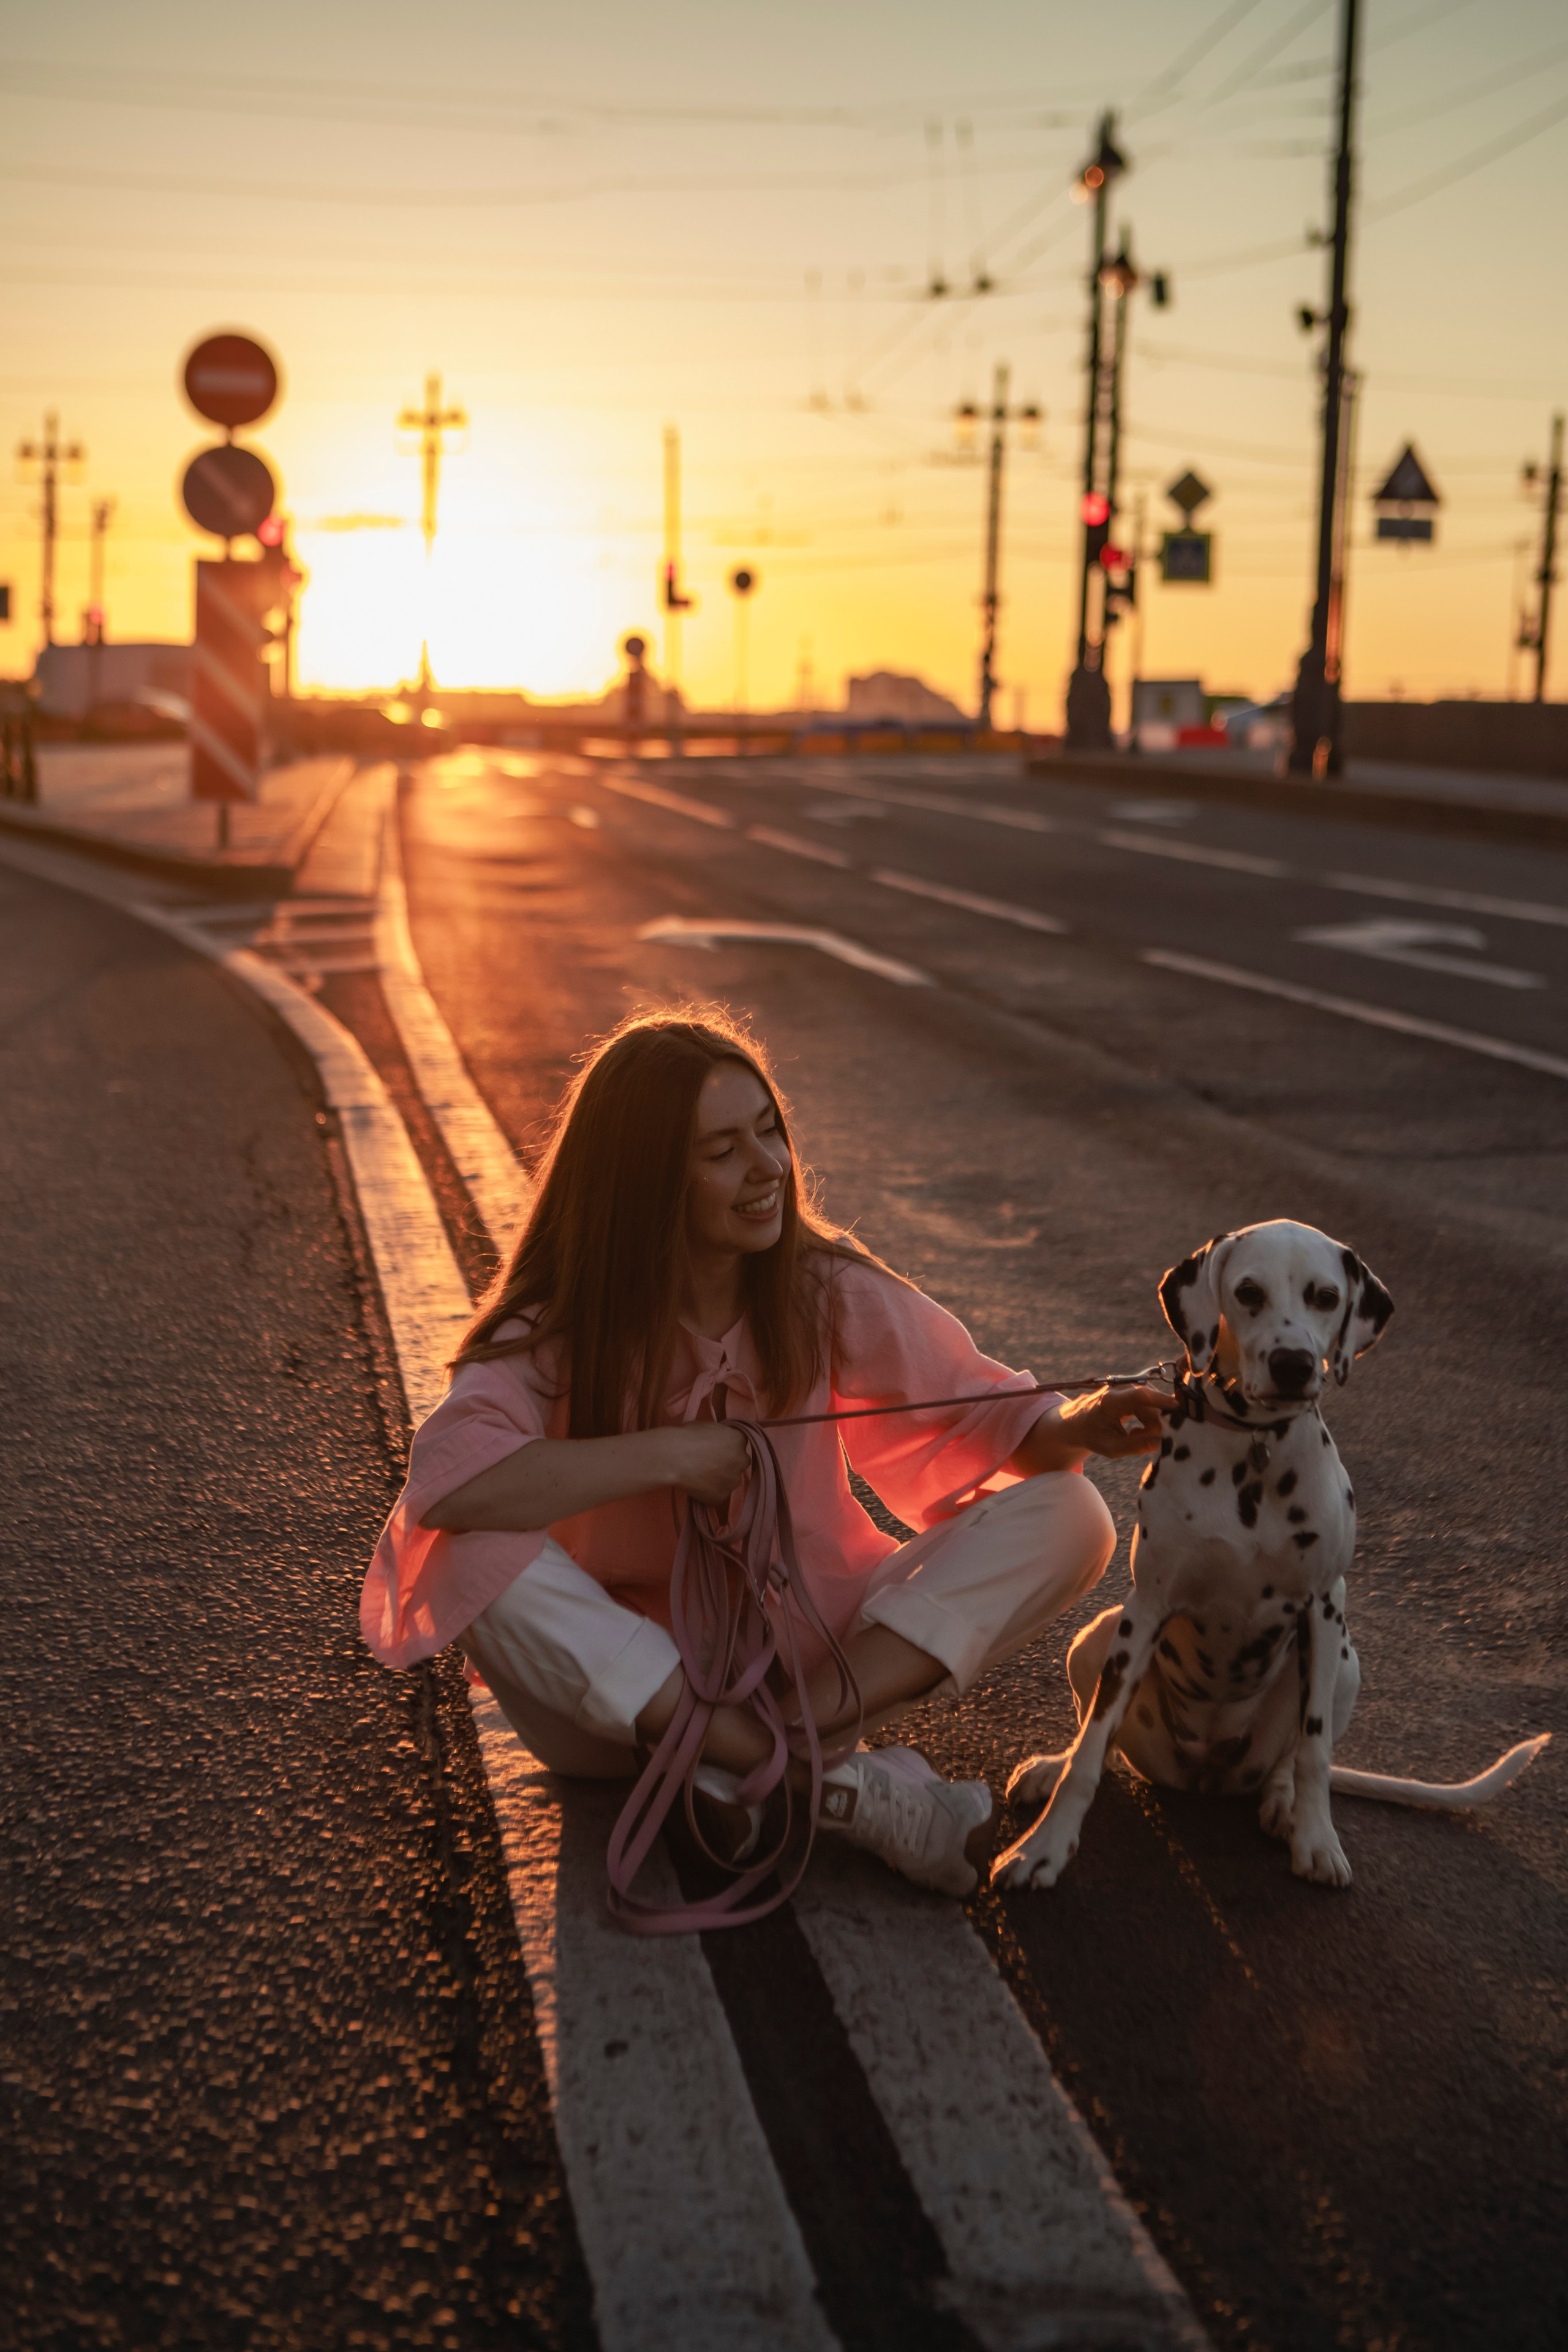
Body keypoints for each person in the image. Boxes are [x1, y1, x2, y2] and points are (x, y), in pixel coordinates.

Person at [361, 1011, 1169, 1905]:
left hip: (818, 1669)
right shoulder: (556, 1324)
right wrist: (669, 1454)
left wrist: (1086, 1424)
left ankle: (765, 1761)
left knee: (1074, 1512)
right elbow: (448, 1485)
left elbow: (987, 1418)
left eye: (767, 1131)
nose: (768, 1168)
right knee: (464, 1547)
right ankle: (825, 1783)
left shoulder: (822, 1285)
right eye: (720, 1151)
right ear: (645, 1182)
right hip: (626, 1706)